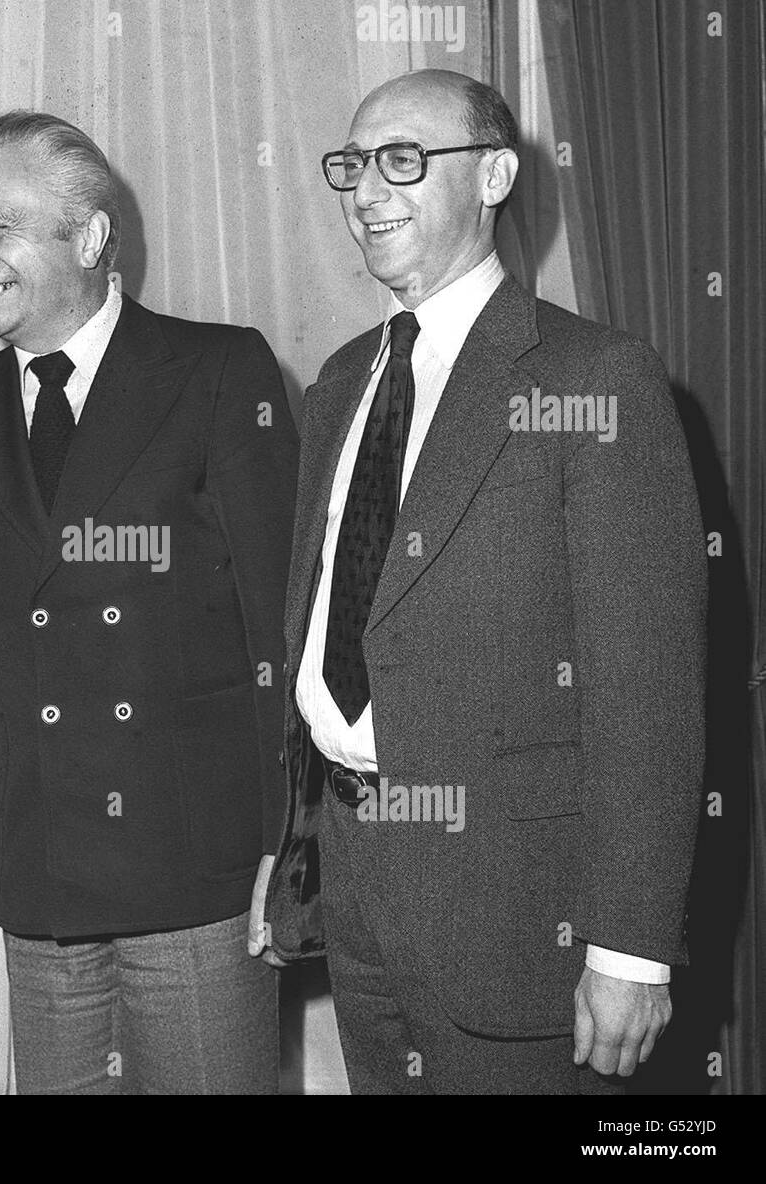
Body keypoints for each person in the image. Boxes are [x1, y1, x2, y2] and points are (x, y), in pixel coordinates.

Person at [0, 111, 297, 1093]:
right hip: (42, 875)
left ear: (90, 238)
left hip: (196, 871)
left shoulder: (219, 371)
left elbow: (280, 629)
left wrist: (286, 842)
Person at [260, 70, 706, 1093]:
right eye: (351, 165)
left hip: (516, 912)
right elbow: (326, 640)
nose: (366, 190)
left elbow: (647, 691)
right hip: (357, 887)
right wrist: (292, 849)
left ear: (495, 173)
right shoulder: (338, 385)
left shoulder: (594, 378)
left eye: (402, 161)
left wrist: (629, 947)